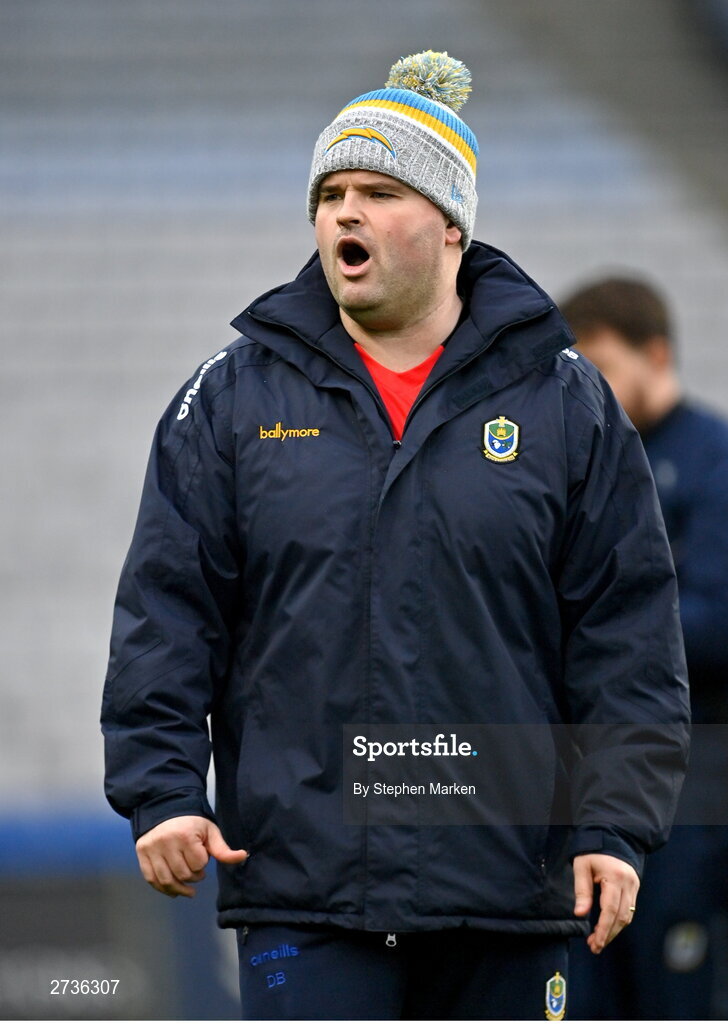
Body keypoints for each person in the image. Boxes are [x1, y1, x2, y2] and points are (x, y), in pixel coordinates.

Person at [102, 53, 690, 1021]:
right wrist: (163, 790)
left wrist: (616, 825)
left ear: (451, 224)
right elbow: (167, 611)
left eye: (378, 191)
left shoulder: (566, 400)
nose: (345, 213)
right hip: (307, 892)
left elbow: (627, 633)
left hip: (510, 891)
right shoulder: (232, 399)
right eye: (329, 193)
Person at [560, 274, 728, 1020]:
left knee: (682, 992)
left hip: (708, 779)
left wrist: (593, 631)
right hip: (601, 782)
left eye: (602, 366)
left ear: (655, 354)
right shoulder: (589, 469)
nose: (587, 387)